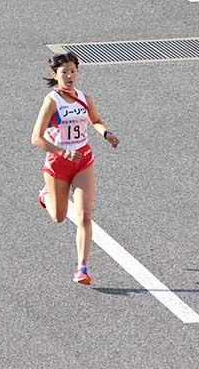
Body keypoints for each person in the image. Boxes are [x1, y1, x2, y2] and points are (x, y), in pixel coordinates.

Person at [31, 52, 119, 285]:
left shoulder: (84, 98)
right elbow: (36, 139)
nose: (69, 76)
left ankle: (82, 268)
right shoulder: (52, 101)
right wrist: (62, 151)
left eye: (73, 71)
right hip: (58, 164)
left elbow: (96, 120)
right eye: (64, 72)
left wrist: (106, 134)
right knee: (59, 217)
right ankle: (45, 195)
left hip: (83, 161)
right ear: (55, 75)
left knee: (84, 215)